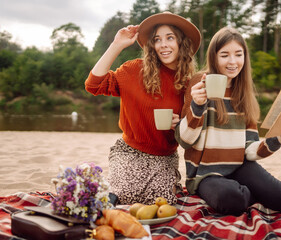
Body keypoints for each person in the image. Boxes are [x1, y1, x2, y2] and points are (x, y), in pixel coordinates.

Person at [175, 27, 281, 216]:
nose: (233, 61)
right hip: (205, 175)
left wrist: (278, 141)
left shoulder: (244, 95)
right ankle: (260, 193)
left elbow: (250, 150)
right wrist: (198, 105)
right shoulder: (198, 84)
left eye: (238, 54)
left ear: (245, 57)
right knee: (232, 200)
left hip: (240, 167)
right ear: (214, 57)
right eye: (225, 55)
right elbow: (184, 140)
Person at [85, 12, 201, 205]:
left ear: (182, 43)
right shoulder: (134, 70)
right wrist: (117, 45)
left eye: (170, 38)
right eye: (157, 39)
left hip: (164, 157)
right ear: (152, 46)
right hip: (129, 151)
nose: (163, 44)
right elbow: (93, 84)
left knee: (162, 202)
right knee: (125, 196)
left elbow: (192, 130)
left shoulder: (189, 85)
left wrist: (180, 126)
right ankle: (112, 191)